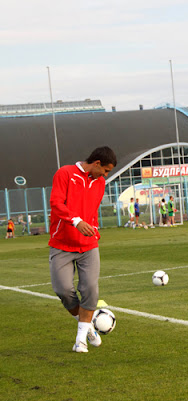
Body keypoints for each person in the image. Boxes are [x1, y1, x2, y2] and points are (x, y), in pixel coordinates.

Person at [48, 146, 117, 353]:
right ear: (96, 164)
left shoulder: (100, 182)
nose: (106, 175)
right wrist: (76, 221)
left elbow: (92, 210)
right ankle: (87, 324)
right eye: (105, 170)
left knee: (90, 289)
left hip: (88, 245)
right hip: (61, 243)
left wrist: (94, 229)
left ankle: (81, 340)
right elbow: (56, 203)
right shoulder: (65, 173)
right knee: (62, 290)